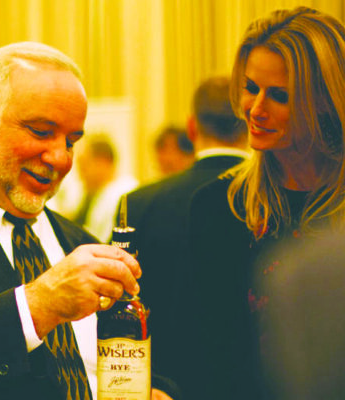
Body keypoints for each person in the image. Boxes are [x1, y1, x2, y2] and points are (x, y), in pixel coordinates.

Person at [0, 41, 175, 400]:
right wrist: (35, 307)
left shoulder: (77, 241)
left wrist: (156, 389)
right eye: (40, 131)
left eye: (71, 141)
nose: (61, 158)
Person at [189, 6, 345, 399]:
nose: (255, 109)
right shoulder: (219, 206)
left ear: (326, 101)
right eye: (250, 87)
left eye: (279, 95)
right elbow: (210, 354)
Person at [122, 76, 248, 399]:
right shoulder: (278, 200)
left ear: (191, 130)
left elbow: (123, 309)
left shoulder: (138, 204)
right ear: (249, 125)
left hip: (165, 384)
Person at [73, 134, 138, 242]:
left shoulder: (123, 194)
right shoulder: (98, 195)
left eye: (84, 166)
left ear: (103, 162)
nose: (81, 176)